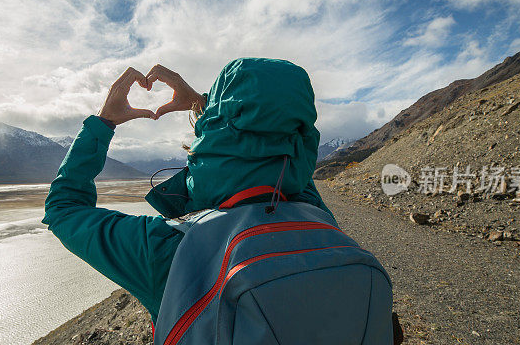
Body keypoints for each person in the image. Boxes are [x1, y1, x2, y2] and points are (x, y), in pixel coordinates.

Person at [42, 58, 336, 323]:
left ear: (210, 137)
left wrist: (103, 122)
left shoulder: (167, 250)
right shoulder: (319, 220)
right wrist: (207, 107)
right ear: (304, 139)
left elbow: (62, 208)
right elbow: (285, 162)